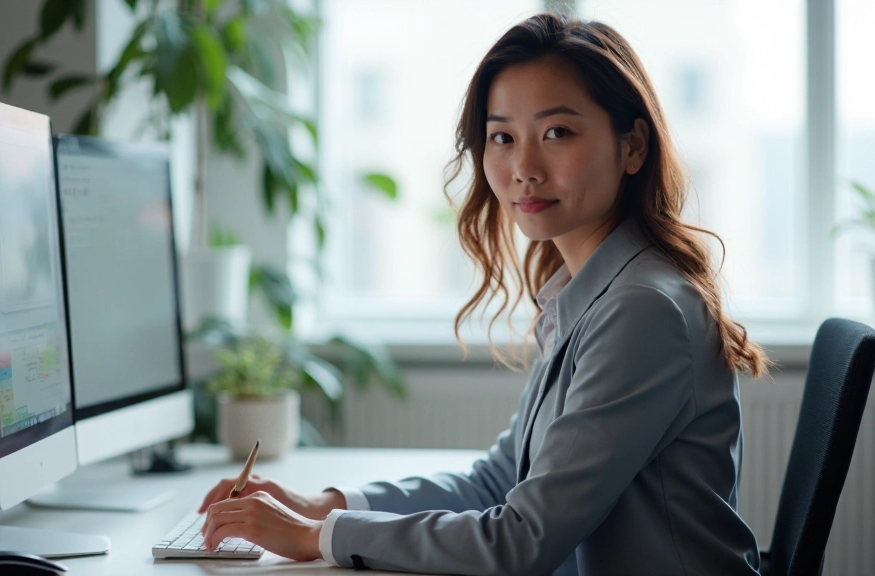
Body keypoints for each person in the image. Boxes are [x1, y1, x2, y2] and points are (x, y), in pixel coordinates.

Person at [198, 12, 769, 576]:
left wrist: (315, 538)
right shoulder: (592, 292)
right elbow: (497, 482)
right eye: (502, 137)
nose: (523, 167)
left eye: (557, 133)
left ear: (633, 146)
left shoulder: (641, 310)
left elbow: (520, 541)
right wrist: (329, 507)